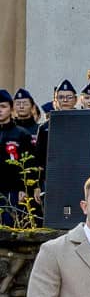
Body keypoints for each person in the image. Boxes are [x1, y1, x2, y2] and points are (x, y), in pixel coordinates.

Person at [1, 89, 35, 225]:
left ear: (11, 108)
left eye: (3, 106)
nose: (0, 110)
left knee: (12, 224)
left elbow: (29, 164)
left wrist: (24, 188)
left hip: (13, 190)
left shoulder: (21, 134)